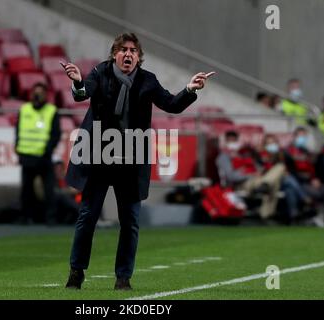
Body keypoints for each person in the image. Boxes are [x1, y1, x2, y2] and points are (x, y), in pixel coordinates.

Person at [61, 33, 213, 290]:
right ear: (115, 54)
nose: (128, 54)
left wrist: (190, 89)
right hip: (99, 156)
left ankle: (123, 278)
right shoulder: (100, 73)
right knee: (87, 216)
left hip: (130, 160)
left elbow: (171, 104)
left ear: (138, 57)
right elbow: (83, 92)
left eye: (133, 50)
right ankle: (77, 272)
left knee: (130, 221)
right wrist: (77, 82)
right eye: (123, 50)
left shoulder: (147, 80)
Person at [15, 83, 61, 225]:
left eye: (40, 92)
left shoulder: (51, 111)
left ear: (46, 95)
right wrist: (17, 147)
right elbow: (18, 130)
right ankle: (26, 217)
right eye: (36, 92)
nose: (37, 95)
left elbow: (55, 134)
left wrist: (47, 150)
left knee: (49, 190)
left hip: (44, 157)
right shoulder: (24, 109)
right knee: (26, 190)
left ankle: (51, 218)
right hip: (27, 156)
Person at [216, 130, 286, 219]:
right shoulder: (224, 157)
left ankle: (264, 212)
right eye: (230, 141)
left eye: (234, 140)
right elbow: (231, 177)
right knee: (274, 183)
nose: (232, 143)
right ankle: (265, 214)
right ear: (226, 142)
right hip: (243, 183)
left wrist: (260, 167)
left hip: (257, 179)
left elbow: (258, 167)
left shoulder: (243, 154)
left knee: (280, 167)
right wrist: (248, 174)